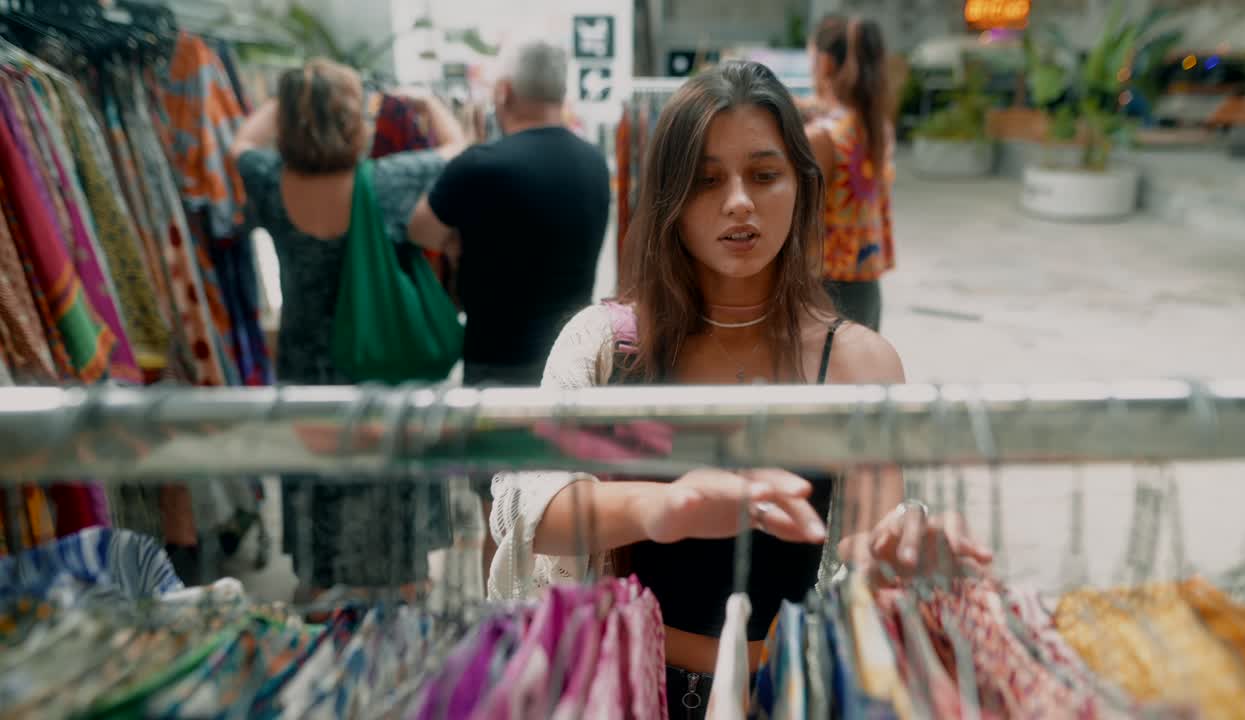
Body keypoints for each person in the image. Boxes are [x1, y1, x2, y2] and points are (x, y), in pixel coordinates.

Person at [487, 61, 989, 718]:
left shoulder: (857, 362)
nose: (739, 202)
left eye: (762, 174)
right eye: (707, 179)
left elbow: (865, 545)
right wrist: (662, 509)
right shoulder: (608, 345)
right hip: (631, 690)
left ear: (801, 188)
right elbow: (532, 505)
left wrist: (904, 549)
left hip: (783, 694)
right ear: (668, 196)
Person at [231, 58, 467, 593]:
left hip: (304, 361)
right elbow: (458, 152)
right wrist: (430, 105)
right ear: (352, 120)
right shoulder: (382, 184)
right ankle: (407, 579)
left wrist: (295, 99)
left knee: (315, 472)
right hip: (376, 356)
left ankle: (316, 579)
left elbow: (241, 142)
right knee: (388, 465)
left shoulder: (270, 181)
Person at [411, 37, 612, 388]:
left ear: (504, 92)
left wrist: (461, 237)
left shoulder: (478, 165)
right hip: (573, 359)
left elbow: (419, 229)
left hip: (497, 363)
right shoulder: (594, 161)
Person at [806, 14, 896, 331]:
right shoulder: (875, 127)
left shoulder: (822, 138)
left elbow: (802, 223)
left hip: (824, 290)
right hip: (867, 286)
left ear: (826, 63)